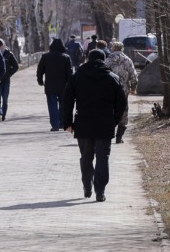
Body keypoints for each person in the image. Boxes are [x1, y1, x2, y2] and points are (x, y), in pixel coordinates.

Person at [61, 49, 127, 202]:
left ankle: (87, 186)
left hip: (83, 123)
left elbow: (67, 100)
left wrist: (67, 123)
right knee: (103, 157)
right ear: (104, 60)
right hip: (105, 123)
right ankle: (100, 191)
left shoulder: (77, 76)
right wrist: (114, 120)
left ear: (88, 59)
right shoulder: (112, 78)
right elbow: (121, 103)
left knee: (86, 157)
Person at [36, 38, 72, 131]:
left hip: (50, 85)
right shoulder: (66, 57)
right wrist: (70, 85)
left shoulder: (45, 57)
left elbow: (40, 70)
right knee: (63, 105)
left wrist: (40, 81)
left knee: (52, 105)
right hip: (63, 86)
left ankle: (55, 125)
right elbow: (70, 73)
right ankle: (61, 123)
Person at [105, 42, 137, 144]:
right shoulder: (127, 60)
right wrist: (133, 88)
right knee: (123, 111)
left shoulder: (108, 60)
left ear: (113, 48)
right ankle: (119, 137)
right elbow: (133, 75)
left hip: (110, 90)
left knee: (110, 111)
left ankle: (108, 135)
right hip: (123, 90)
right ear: (122, 48)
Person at [0, 38, 19, 121]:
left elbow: (16, 66)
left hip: (6, 81)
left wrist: (9, 74)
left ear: (3, 45)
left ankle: (3, 115)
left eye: (0, 45)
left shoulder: (8, 54)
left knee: (5, 99)